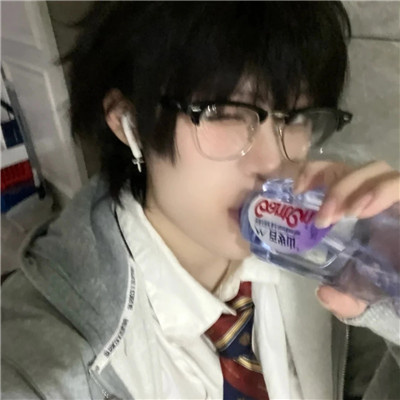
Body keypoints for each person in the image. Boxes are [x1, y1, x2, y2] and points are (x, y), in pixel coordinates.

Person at [2, 2, 399, 399]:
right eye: (224, 112)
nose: (273, 163)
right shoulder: (44, 359)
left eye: (295, 117)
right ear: (129, 122)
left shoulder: (324, 252)